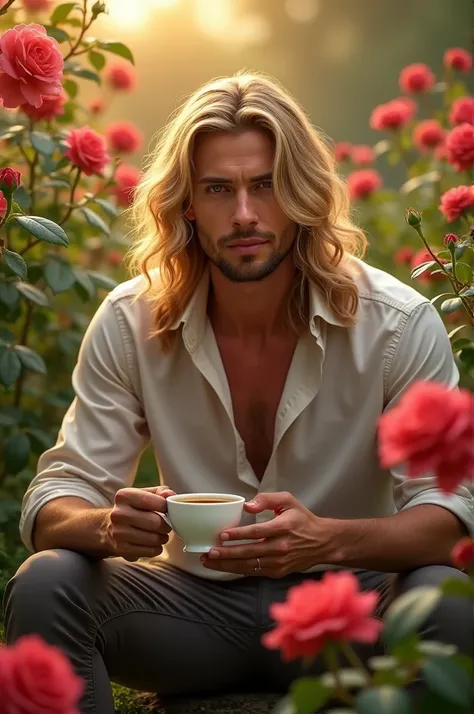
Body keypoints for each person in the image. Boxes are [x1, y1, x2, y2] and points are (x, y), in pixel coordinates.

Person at [3, 72, 473, 714]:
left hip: (349, 614)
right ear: (187, 203)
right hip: (191, 616)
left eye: (266, 186)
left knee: (448, 597)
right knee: (45, 584)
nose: (245, 214)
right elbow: (56, 499)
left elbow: (452, 519)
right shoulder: (130, 319)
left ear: (301, 193)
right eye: (219, 189)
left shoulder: (396, 323)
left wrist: (328, 540)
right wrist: (109, 526)